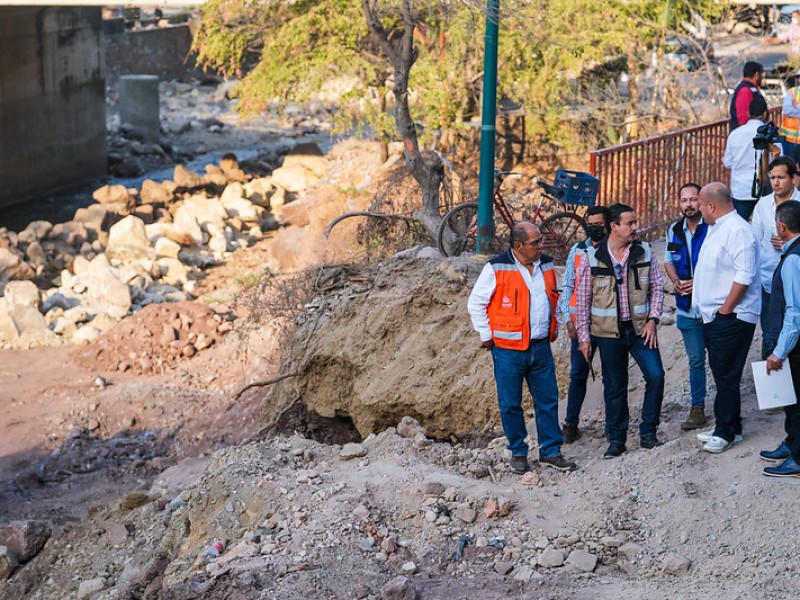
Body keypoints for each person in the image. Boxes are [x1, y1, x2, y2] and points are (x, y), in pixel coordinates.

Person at [467, 222, 577, 474]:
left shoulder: (546, 264)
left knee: (548, 401)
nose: (541, 246)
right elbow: (476, 303)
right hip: (508, 350)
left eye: (540, 241)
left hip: (540, 348)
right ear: (518, 246)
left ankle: (551, 451)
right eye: (535, 242)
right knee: (510, 403)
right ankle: (518, 451)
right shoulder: (496, 267)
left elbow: (555, 297)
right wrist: (486, 334)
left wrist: (559, 323)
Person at [574, 204, 665, 459]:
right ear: (614, 227)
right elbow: (582, 300)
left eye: (635, 222)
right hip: (608, 334)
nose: (636, 227)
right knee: (615, 387)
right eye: (630, 223)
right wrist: (584, 337)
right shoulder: (592, 257)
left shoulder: (644, 251)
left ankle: (648, 434)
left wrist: (653, 320)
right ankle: (617, 440)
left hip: (639, 331)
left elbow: (657, 287)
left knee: (656, 376)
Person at [692, 182, 761, 454]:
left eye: (700, 204)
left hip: (732, 316)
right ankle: (730, 424)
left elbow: (744, 275)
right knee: (722, 372)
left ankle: (725, 432)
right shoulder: (716, 228)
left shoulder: (738, 230)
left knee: (726, 374)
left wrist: (725, 310)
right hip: (714, 315)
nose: (698, 209)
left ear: (711, 205)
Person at [558, 206, 611, 443]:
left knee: (612, 375)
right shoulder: (578, 250)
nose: (593, 228)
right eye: (590, 223)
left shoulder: (617, 249)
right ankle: (571, 424)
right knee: (578, 373)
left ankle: (613, 424)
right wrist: (569, 318)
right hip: (580, 324)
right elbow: (567, 285)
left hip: (608, 323)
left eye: (598, 224)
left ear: (609, 225)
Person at [664, 183, 710, 430]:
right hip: (685, 308)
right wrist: (674, 280)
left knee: (719, 359)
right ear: (679, 203)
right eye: (684, 200)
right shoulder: (674, 230)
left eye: (693, 199)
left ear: (701, 202)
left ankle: (727, 409)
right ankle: (697, 408)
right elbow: (669, 260)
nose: (689, 204)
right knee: (695, 360)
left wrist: (699, 281)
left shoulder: (713, 227)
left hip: (712, 308)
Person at [760, 200, 800, 477]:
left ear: (781, 227)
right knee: (791, 399)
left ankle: (798, 459)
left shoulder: (793, 260)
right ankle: (792, 443)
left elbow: (795, 311)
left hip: (795, 346)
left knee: (797, 402)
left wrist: (779, 351)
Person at [752, 157, 800, 360]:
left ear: (793, 179)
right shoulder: (762, 205)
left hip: (796, 278)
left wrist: (791, 242)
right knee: (770, 334)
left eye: (781, 177)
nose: (776, 182)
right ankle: (772, 384)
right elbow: (754, 242)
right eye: (772, 178)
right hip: (769, 281)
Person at [723, 95, 781, 222]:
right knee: (767, 225)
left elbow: (727, 162)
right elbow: (779, 161)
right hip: (765, 189)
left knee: (739, 226)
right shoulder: (770, 135)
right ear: (765, 113)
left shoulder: (735, 134)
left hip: (740, 190)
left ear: (748, 113)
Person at [730, 61, 765, 131]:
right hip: (745, 134)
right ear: (757, 74)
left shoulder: (751, 88)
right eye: (761, 75)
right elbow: (743, 118)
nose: (762, 78)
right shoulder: (745, 90)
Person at [779, 76, 800, 165]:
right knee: (788, 169)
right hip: (789, 140)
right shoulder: (792, 92)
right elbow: (787, 110)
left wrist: (796, 108)